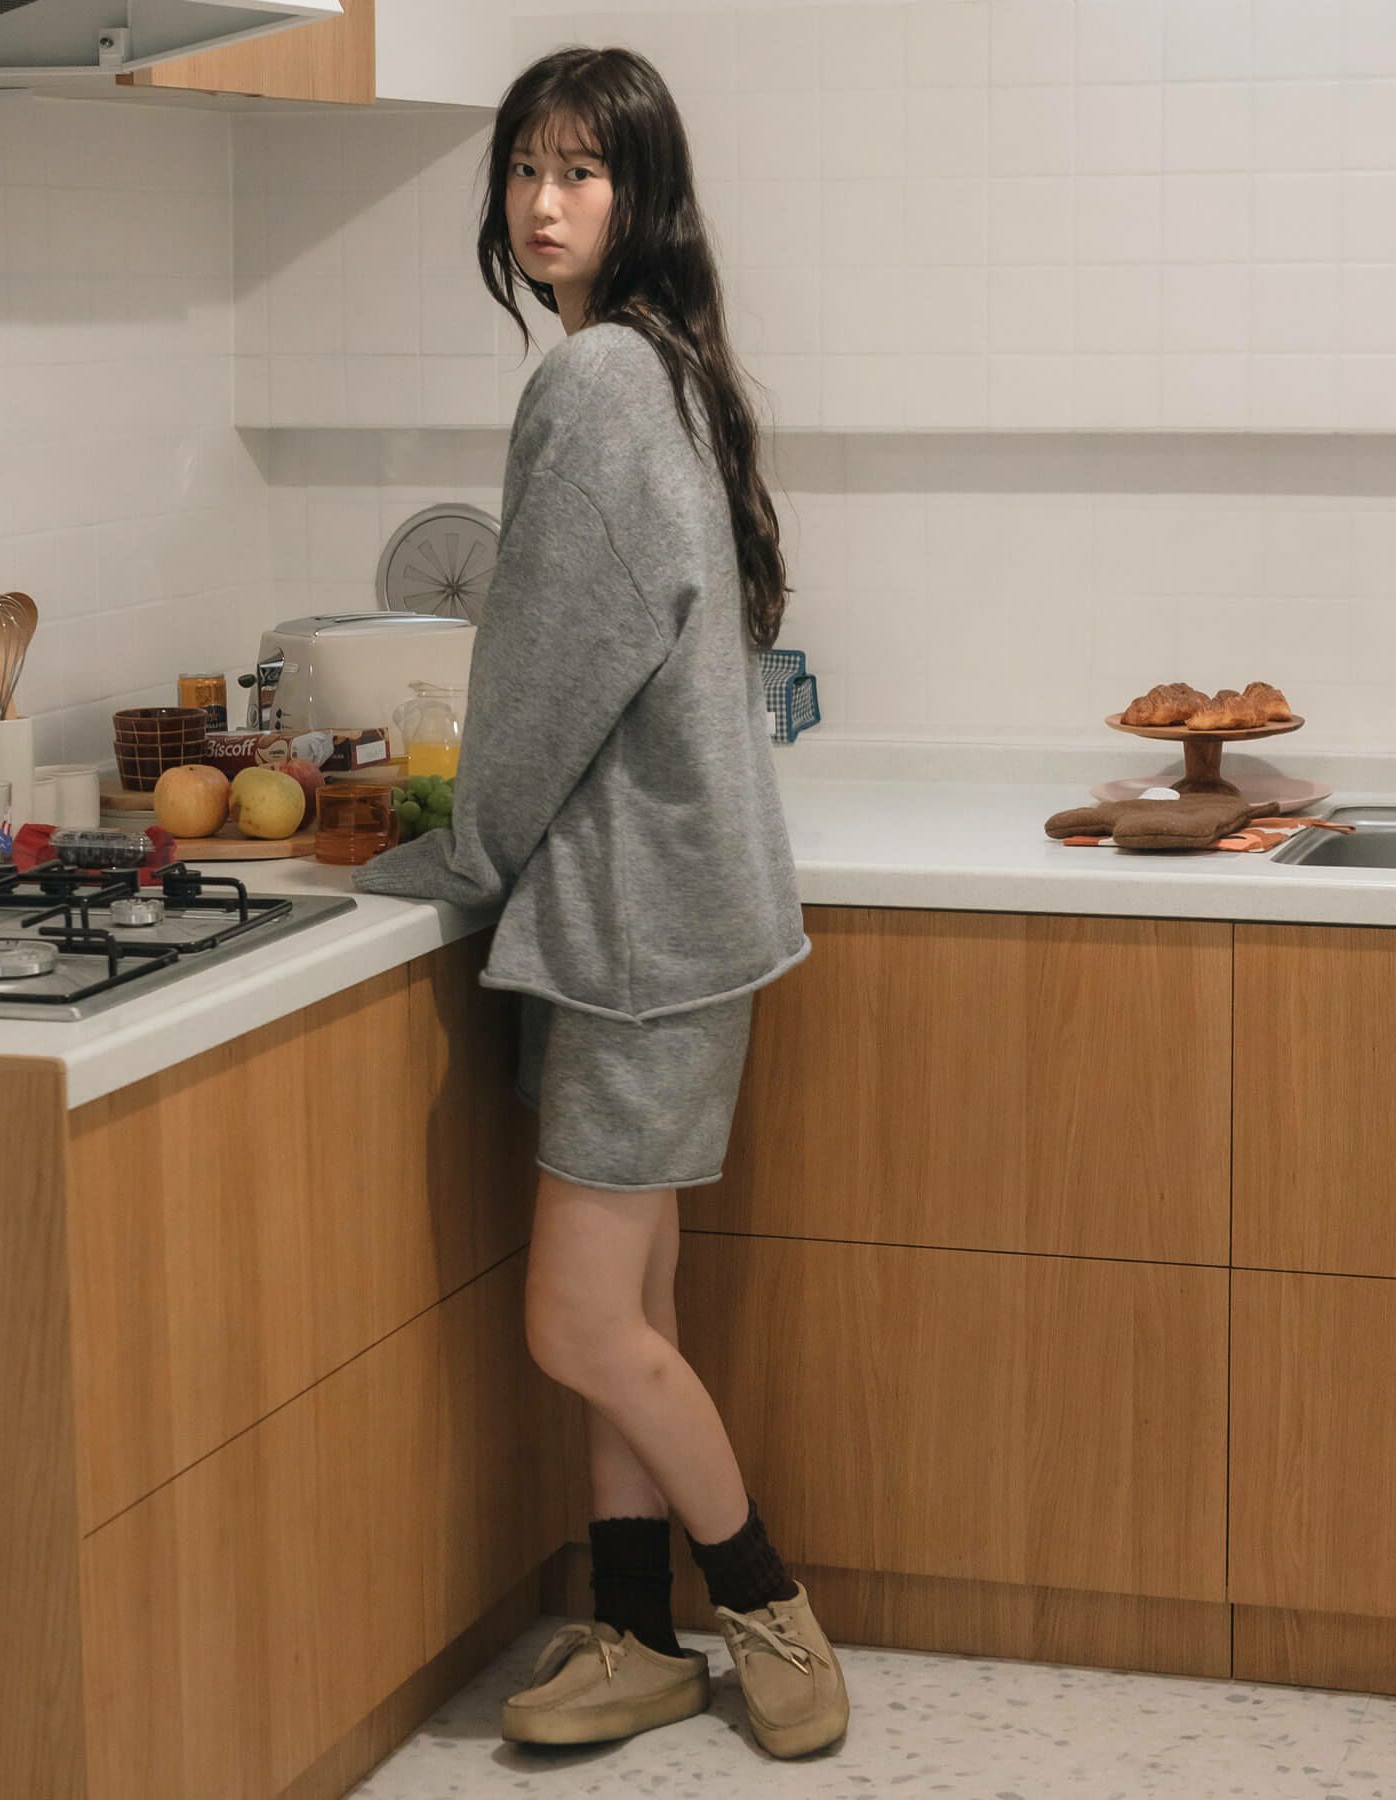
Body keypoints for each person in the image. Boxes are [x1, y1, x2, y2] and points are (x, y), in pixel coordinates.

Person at [352, 43, 850, 1761]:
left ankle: (769, 1611)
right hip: (682, 915)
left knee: (574, 1321)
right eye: (523, 169)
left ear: (640, 196)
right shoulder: (667, 366)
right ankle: (636, 1637)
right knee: (632, 1315)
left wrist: (453, 851)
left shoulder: (593, 384)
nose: (544, 203)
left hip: (639, 930)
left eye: (582, 171)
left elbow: (546, 678)